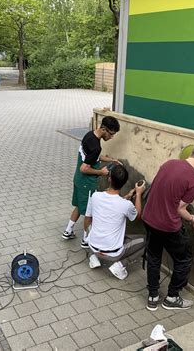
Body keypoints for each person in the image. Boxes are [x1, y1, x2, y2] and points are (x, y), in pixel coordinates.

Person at [143, 139, 194, 311]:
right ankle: (172, 297)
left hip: (149, 219)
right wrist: (193, 220)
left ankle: (153, 297)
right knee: (183, 259)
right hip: (168, 226)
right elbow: (179, 209)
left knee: (154, 257)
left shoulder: (169, 164)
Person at [62, 116, 121, 248]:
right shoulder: (96, 147)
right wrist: (102, 172)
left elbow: (93, 157)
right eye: (111, 134)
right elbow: (85, 168)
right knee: (90, 212)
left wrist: (111, 160)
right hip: (87, 183)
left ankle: (68, 231)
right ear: (104, 129)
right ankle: (86, 239)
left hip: (78, 180)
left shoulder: (90, 135)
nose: (111, 138)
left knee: (78, 205)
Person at [83, 164, 146, 280]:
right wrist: (138, 194)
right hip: (113, 253)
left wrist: (126, 197)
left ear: (109, 178)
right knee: (145, 241)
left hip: (93, 245)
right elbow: (137, 216)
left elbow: (89, 217)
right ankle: (120, 265)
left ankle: (93, 257)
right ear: (124, 183)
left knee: (92, 228)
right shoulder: (125, 205)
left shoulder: (96, 196)